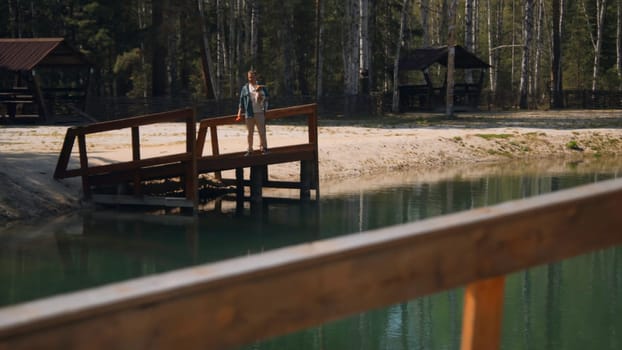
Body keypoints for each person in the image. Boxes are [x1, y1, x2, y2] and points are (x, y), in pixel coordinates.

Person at [236, 69, 269, 155]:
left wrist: (262, 97)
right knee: (249, 133)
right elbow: (241, 101)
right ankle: (250, 150)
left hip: (260, 112)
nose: (250, 79)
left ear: (255, 77)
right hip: (249, 113)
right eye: (249, 77)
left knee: (262, 132)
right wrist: (239, 113)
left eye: (252, 77)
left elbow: (268, 98)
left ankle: (264, 148)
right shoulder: (245, 88)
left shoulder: (262, 87)